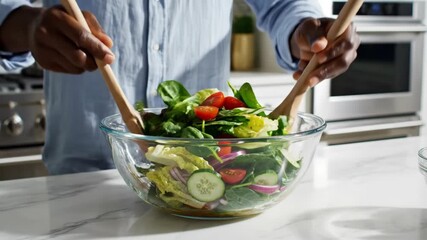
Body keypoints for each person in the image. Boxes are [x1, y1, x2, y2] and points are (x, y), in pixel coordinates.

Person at [0, 0, 360, 175]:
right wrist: (25, 24)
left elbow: (283, 5)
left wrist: (305, 30)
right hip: (80, 180)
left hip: (206, 180)